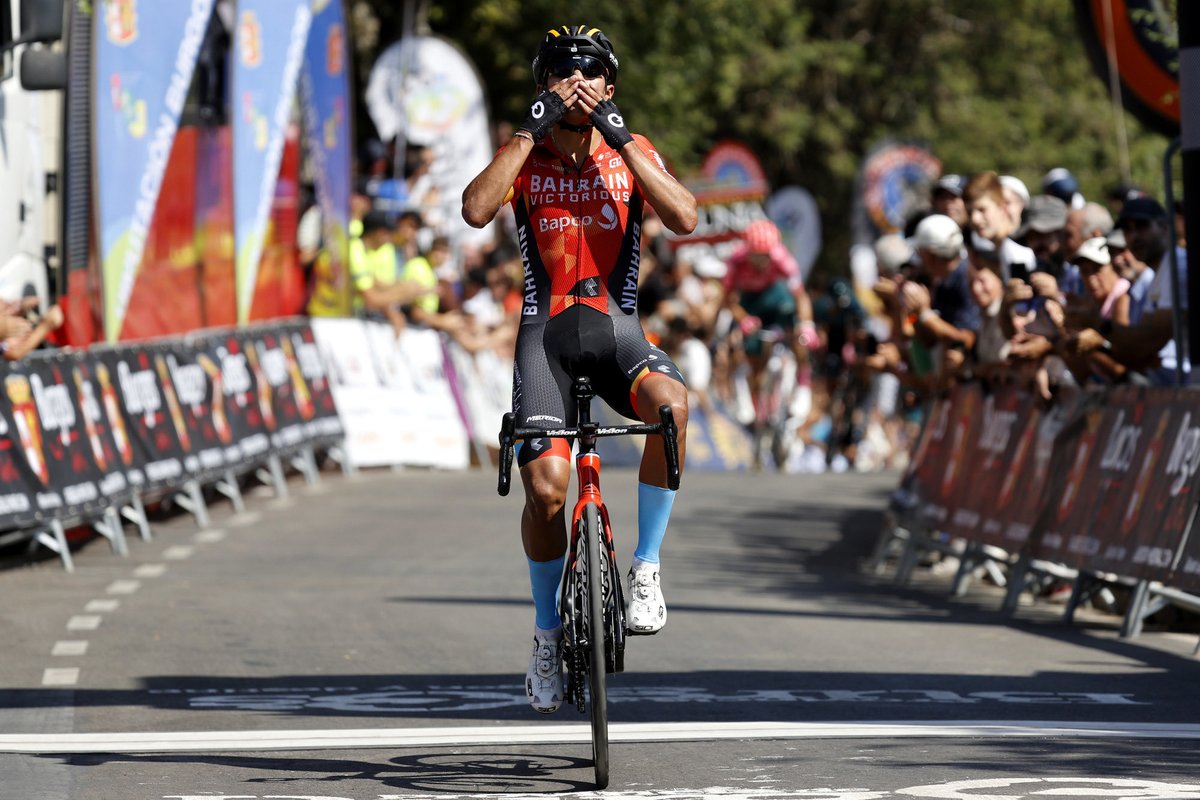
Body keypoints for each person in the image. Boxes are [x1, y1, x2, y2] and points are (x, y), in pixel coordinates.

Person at [461, 24, 697, 714]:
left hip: (618, 329)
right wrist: (524, 134)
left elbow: (682, 215)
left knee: (672, 408)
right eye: (561, 73)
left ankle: (647, 569)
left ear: (610, 86)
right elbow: (476, 210)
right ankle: (544, 633)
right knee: (546, 489)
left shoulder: (632, 150)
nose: (577, 84)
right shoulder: (524, 156)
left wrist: (623, 140)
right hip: (546, 337)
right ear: (542, 86)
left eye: (591, 73)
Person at [723, 218, 817, 434]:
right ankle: (758, 406)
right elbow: (727, 299)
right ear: (748, 251)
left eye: (768, 254)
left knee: (797, 333)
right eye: (759, 255)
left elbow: (800, 297)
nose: (764, 259)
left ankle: (803, 384)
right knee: (753, 356)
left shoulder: (782, 259)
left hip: (776, 298)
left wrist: (807, 325)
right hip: (749, 303)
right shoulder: (735, 262)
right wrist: (742, 318)